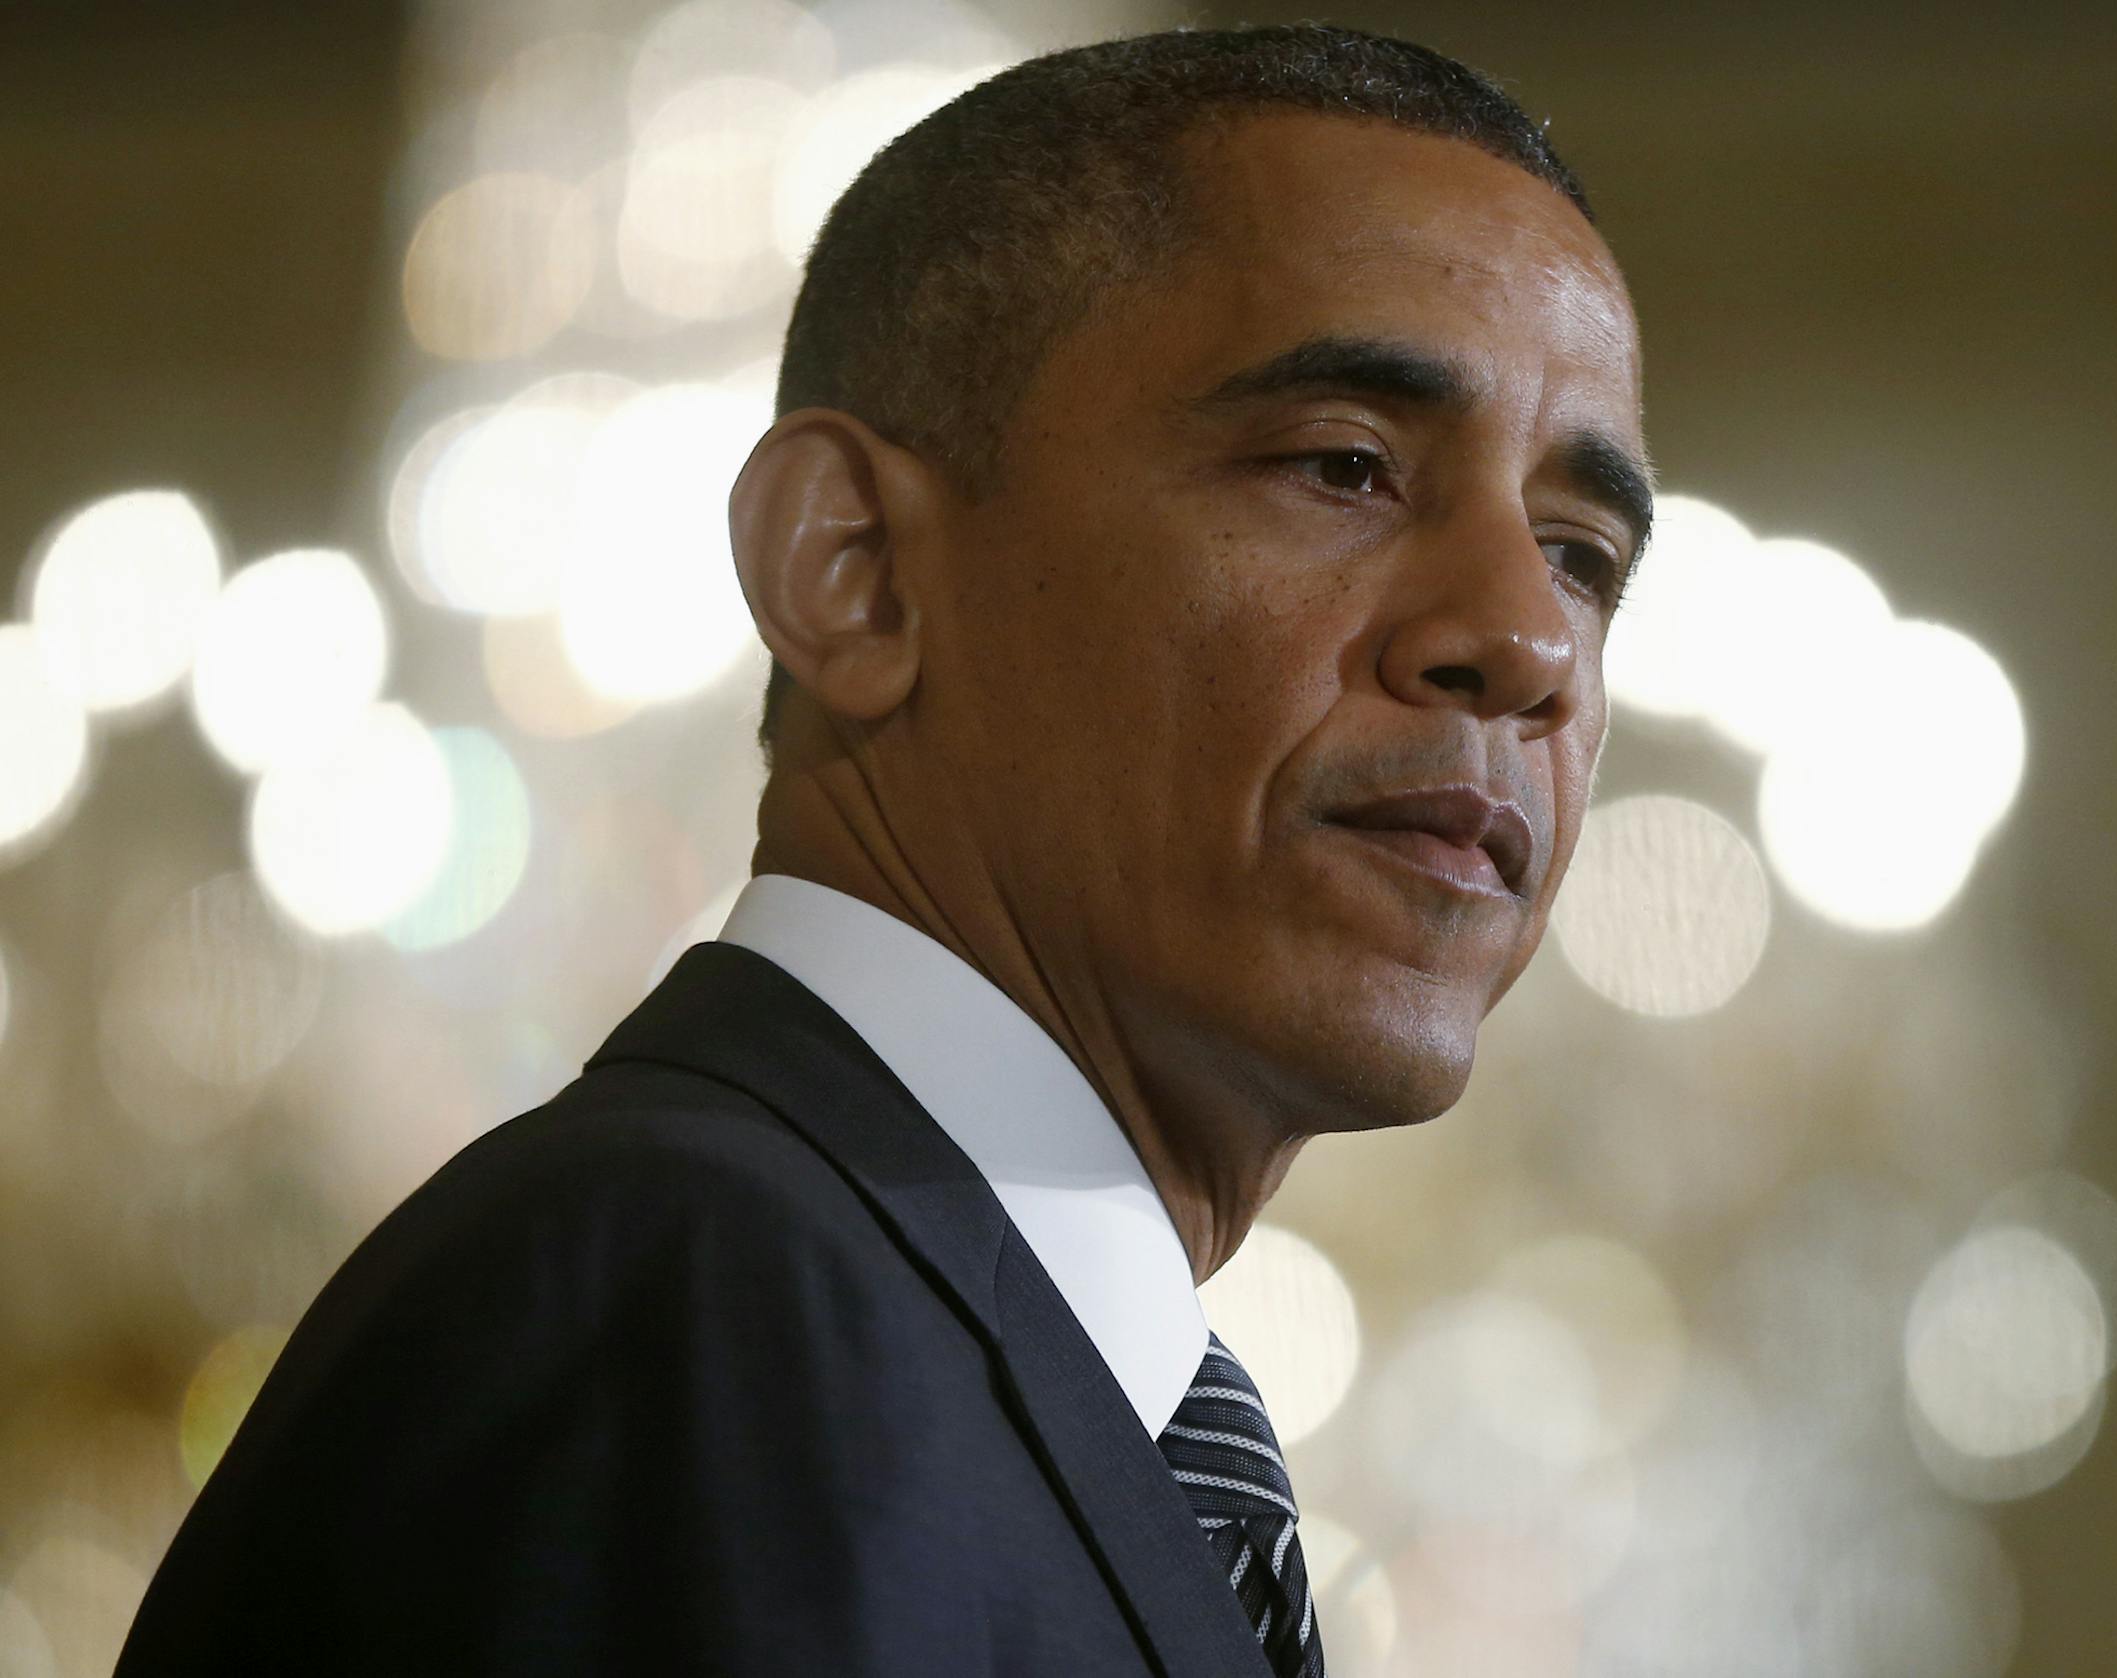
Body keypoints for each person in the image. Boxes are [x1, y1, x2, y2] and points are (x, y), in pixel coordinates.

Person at [118, 22, 1651, 1677]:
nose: (1525, 640)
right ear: (851, 568)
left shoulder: (902, 1329)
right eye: (1344, 465)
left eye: (1582, 555)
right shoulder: (699, 1310)